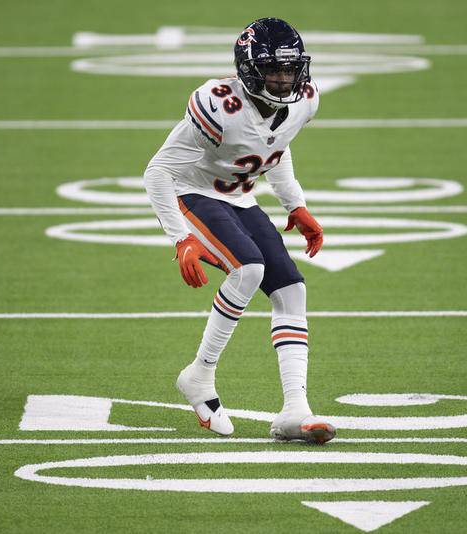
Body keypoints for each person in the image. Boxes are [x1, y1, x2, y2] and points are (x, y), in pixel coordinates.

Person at [143, 18, 335, 444]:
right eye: (273, 69)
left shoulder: (303, 99)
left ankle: (294, 410)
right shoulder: (218, 106)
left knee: (291, 290)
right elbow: (157, 171)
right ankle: (200, 374)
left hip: (239, 197)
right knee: (248, 267)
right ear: (249, 70)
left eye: (290, 69)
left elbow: (275, 144)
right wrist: (181, 237)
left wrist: (296, 204)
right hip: (190, 191)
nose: (284, 79)